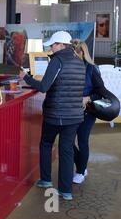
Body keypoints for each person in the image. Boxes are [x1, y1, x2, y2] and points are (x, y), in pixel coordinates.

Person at [19, 31, 85, 200]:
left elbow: (43, 87)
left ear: (61, 45)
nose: (51, 48)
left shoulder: (57, 60)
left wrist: (26, 77)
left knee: (46, 143)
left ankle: (46, 180)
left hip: (56, 114)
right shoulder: (79, 61)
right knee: (66, 150)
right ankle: (66, 191)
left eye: (53, 45)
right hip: (75, 115)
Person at [71, 39, 108, 184]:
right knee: (67, 142)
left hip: (88, 112)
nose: (72, 57)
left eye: (74, 54)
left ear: (81, 52)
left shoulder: (92, 69)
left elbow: (101, 92)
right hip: (72, 110)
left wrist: (88, 98)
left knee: (82, 141)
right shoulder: (70, 67)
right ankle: (82, 166)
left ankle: (80, 172)